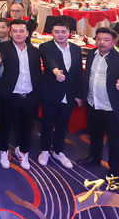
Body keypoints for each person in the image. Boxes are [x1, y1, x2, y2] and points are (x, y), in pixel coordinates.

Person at [78, 27, 119, 177]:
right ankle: (94, 158)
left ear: (114, 42)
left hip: (111, 107)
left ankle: (115, 170)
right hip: (93, 103)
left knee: (114, 141)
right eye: (99, 39)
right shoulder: (91, 54)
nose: (102, 42)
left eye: (106, 40)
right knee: (94, 134)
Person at [0, 19, 43, 170]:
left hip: (29, 95)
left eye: (21, 31)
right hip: (10, 95)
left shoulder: (34, 51)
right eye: (14, 31)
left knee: (26, 126)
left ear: (27, 33)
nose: (18, 34)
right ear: (10, 32)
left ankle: (23, 151)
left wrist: (37, 94)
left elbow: (37, 73)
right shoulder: (4, 47)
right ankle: (3, 151)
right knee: (4, 125)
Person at [38, 20, 83, 169]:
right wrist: (56, 72)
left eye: (63, 31)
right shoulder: (45, 47)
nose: (60, 35)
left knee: (62, 125)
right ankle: (45, 150)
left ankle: (58, 151)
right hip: (51, 92)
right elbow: (49, 61)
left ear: (69, 32)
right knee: (47, 123)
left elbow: (78, 73)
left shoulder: (76, 49)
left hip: (68, 93)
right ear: (52, 32)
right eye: (56, 31)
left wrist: (78, 94)